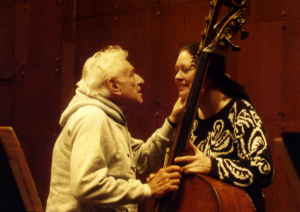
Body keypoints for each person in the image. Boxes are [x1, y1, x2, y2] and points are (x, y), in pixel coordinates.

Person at [46, 45, 184, 212]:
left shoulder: (108, 119)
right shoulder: (92, 117)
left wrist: (172, 122)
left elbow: (141, 160)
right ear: (114, 85)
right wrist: (148, 189)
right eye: (132, 74)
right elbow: (86, 184)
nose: (140, 80)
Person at [173, 42, 274, 212]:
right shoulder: (189, 117)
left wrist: (213, 165)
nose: (177, 76)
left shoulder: (240, 111)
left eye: (185, 70)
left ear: (208, 74)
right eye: (176, 70)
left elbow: (264, 170)